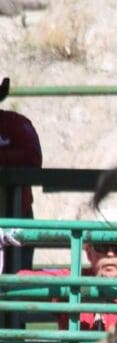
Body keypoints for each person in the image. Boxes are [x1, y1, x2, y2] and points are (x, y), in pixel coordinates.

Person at [0, 76, 43, 274]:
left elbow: (33, 159)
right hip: (16, 215)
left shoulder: (16, 124)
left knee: (19, 280)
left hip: (17, 217)